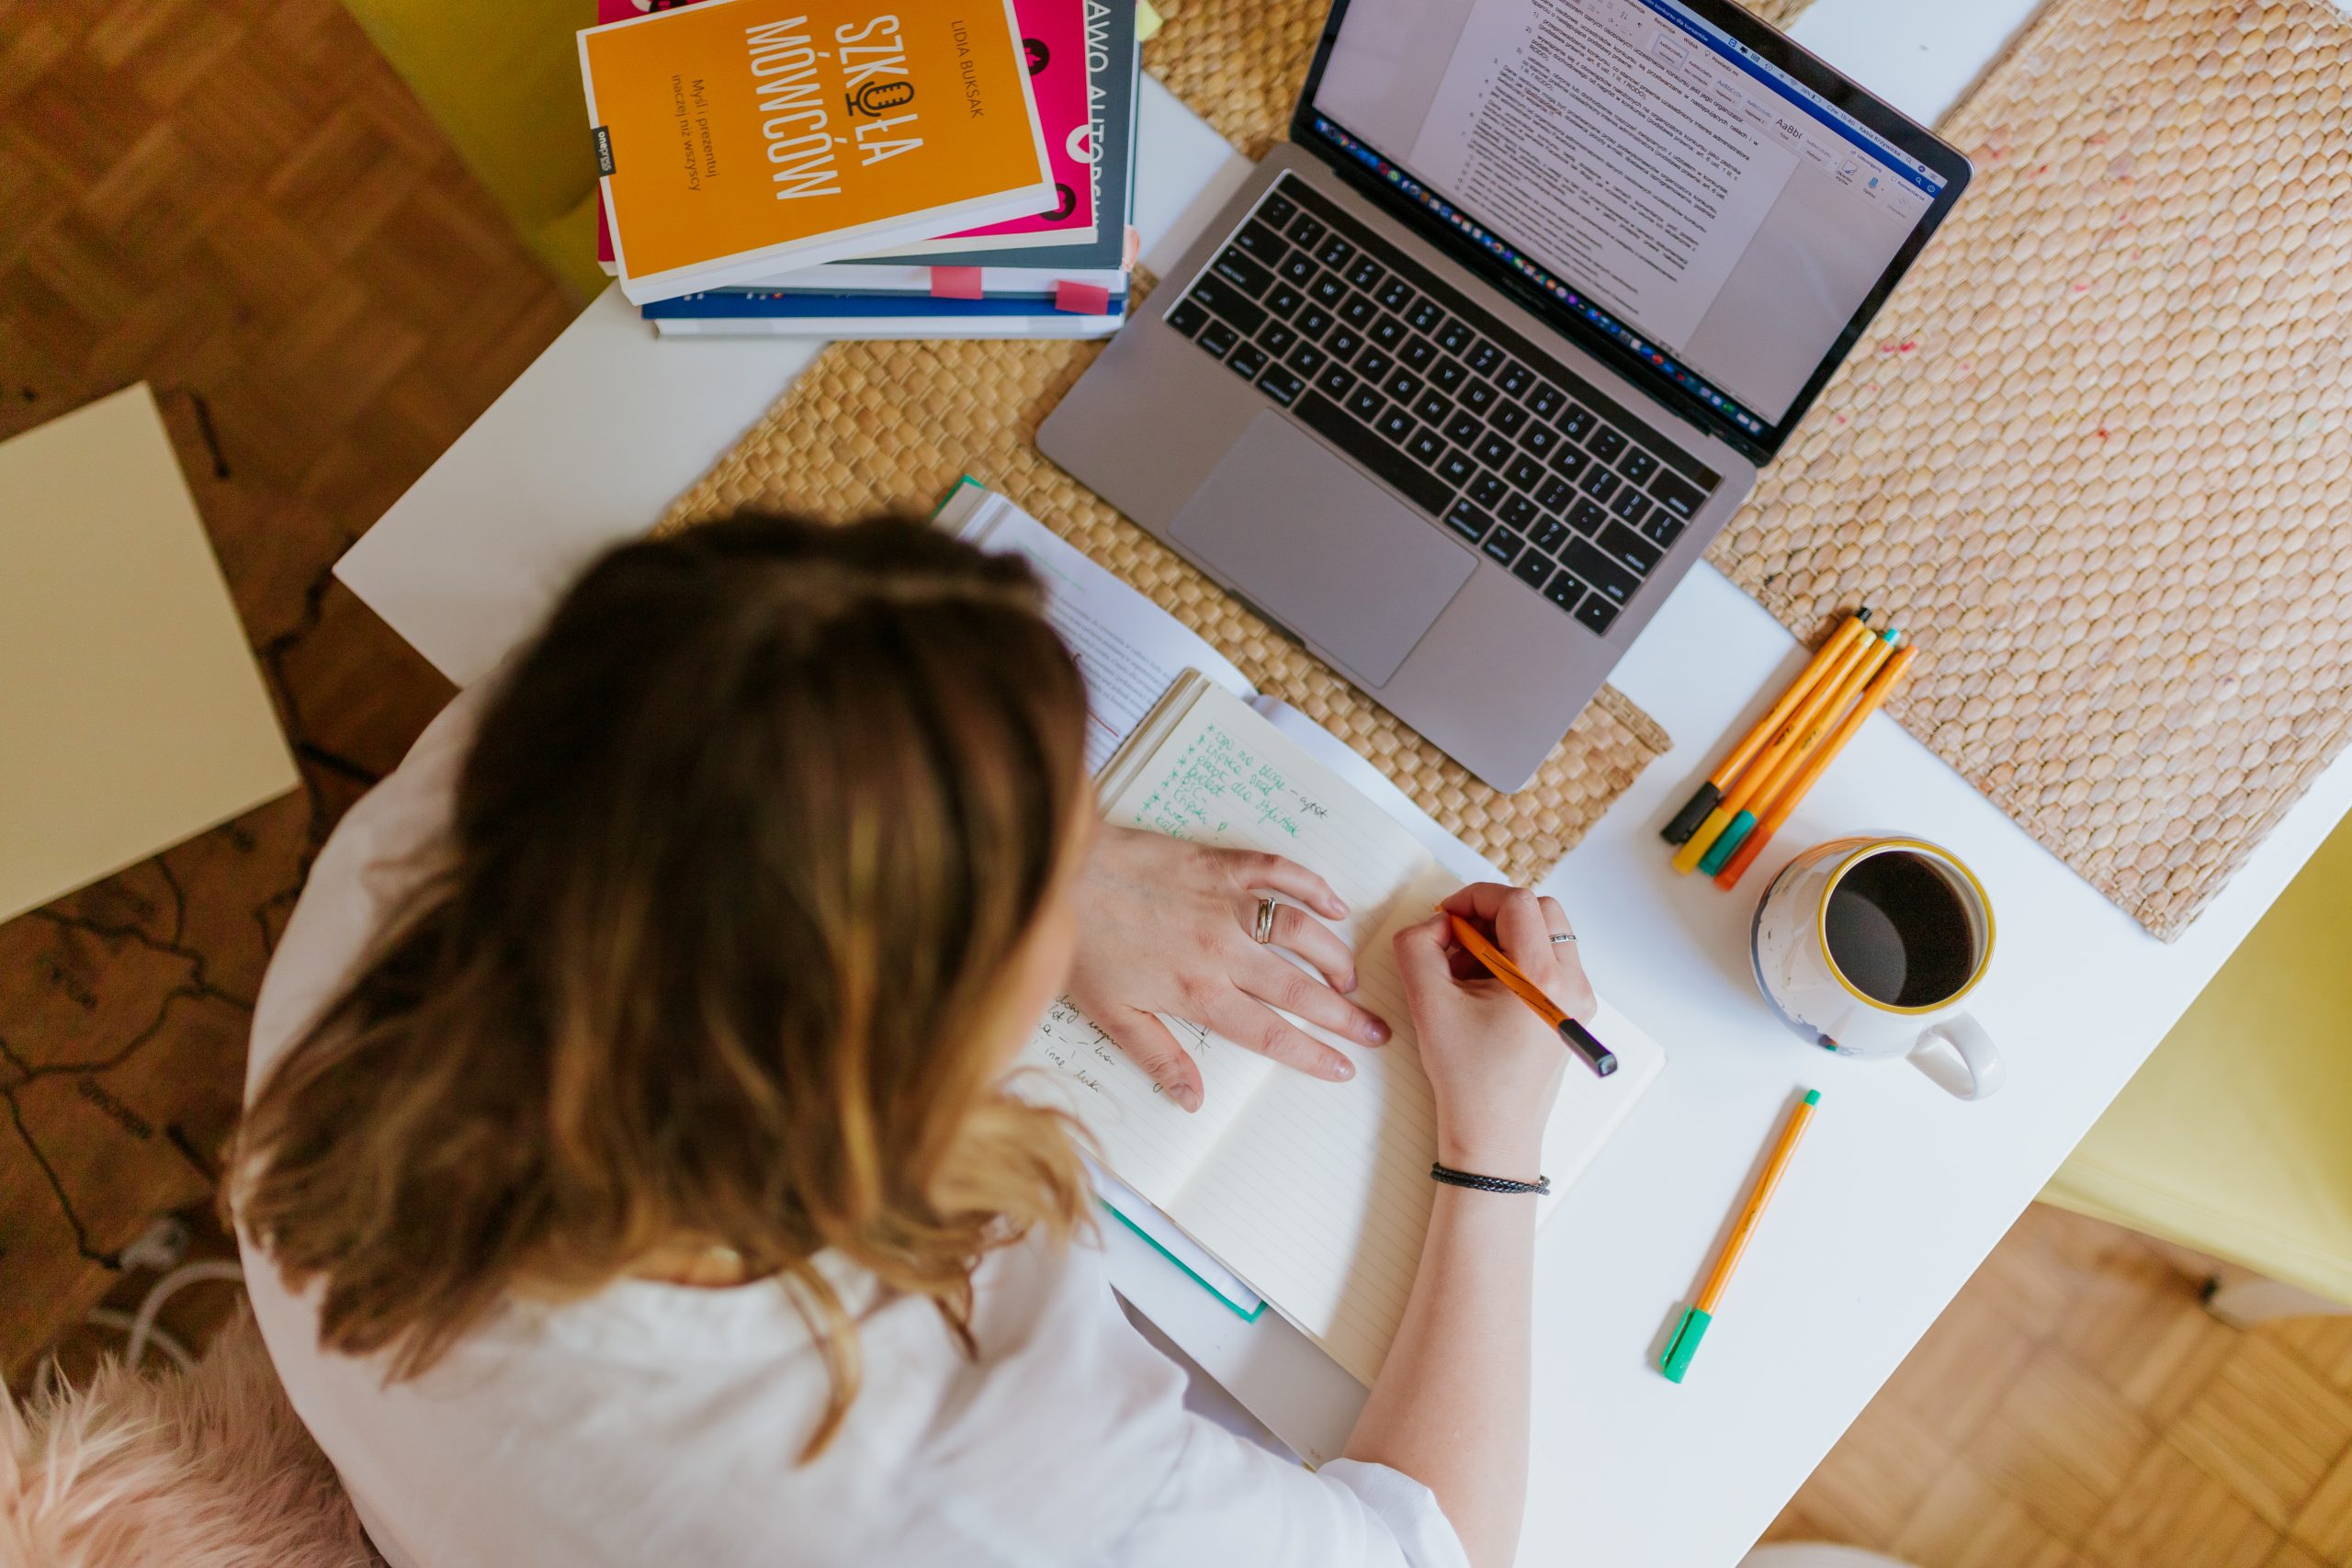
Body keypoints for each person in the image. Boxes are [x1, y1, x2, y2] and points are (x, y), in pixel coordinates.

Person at [233, 513, 1594, 1568]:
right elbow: (1430, 1550)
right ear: (894, 1059)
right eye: (1037, 895)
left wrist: (1053, 868)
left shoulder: (462, 826)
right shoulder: (972, 1460)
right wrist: (1495, 1148)